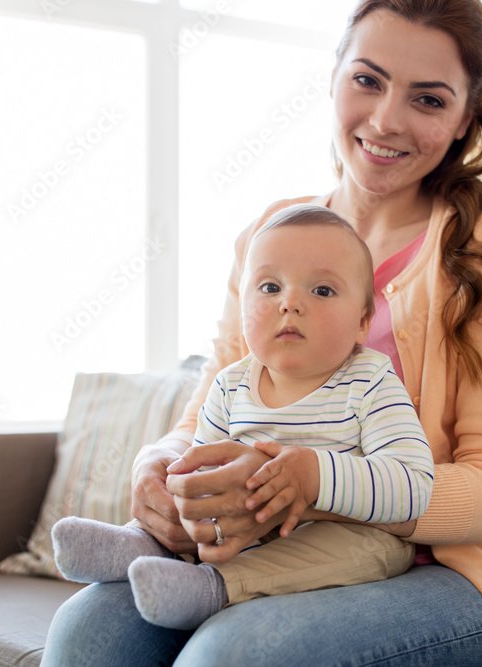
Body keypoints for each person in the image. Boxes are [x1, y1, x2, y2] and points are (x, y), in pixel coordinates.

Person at [43, 0, 482, 664]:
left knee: (233, 654)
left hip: (445, 570)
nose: (386, 119)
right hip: (264, 545)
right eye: (368, 80)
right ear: (334, 74)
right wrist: (158, 468)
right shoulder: (273, 233)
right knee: (88, 630)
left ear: (464, 118)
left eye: (428, 100)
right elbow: (211, 406)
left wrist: (315, 489)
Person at [50, 204, 434, 631]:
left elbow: (413, 486)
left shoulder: (371, 381)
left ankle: (213, 587)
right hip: (241, 527)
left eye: (322, 291)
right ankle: (141, 547)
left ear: (363, 322)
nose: (290, 303)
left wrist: (314, 478)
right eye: (270, 287)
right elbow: (200, 463)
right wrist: (183, 498)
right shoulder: (232, 384)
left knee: (356, 547)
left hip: (346, 534)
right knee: (198, 507)